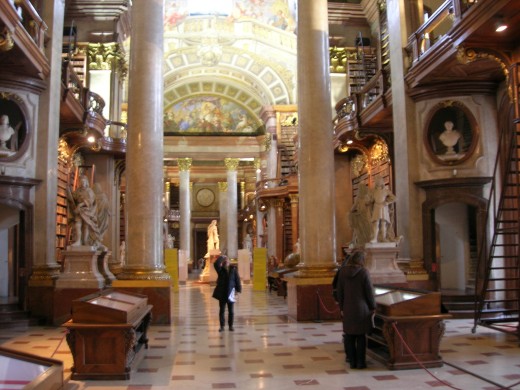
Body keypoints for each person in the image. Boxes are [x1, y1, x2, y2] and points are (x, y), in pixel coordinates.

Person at [336, 250, 376, 369]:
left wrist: (341, 307)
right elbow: (369, 292)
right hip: (362, 308)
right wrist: (373, 306)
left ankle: (352, 361)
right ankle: (360, 362)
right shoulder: (364, 272)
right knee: (361, 336)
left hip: (348, 307)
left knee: (349, 335)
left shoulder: (342, 272)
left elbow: (339, 291)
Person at [67, 175, 100, 247]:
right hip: (79, 211)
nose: (82, 183)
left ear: (86, 182)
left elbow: (90, 201)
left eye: (83, 182)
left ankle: (85, 241)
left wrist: (80, 205)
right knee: (77, 225)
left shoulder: (89, 191)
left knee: (85, 226)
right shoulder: (78, 191)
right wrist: (69, 193)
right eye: (81, 182)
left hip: (86, 210)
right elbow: (73, 198)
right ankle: (78, 240)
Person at [212, 255, 242, 332]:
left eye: (227, 260)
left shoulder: (233, 269)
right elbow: (216, 264)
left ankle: (230, 326)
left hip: (231, 292)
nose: (226, 262)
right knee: (222, 310)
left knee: (231, 311)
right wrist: (221, 257)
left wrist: (238, 290)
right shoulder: (220, 270)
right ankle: (222, 326)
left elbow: (237, 280)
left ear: (229, 261)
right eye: (224, 260)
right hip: (222, 292)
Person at [368, 177, 396, 243]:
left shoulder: (386, 191)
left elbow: (394, 198)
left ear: (382, 182)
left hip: (383, 207)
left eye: (380, 181)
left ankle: (383, 238)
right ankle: (375, 238)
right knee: (376, 223)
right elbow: (372, 200)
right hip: (376, 207)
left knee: (383, 223)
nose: (379, 182)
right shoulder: (373, 191)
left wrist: (387, 202)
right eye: (377, 181)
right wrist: (368, 201)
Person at [348, 183, 372, 248]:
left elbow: (353, 207)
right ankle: (363, 241)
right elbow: (369, 204)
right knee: (365, 229)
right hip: (366, 216)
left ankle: (358, 241)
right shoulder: (367, 197)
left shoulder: (358, 198)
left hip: (362, 216)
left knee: (359, 229)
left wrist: (351, 212)